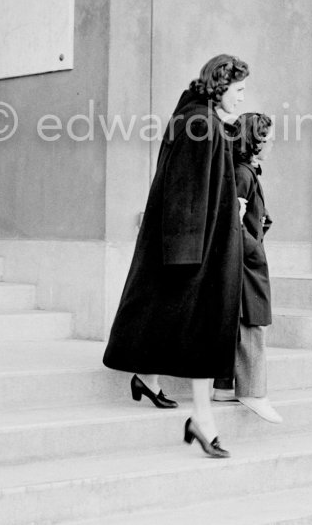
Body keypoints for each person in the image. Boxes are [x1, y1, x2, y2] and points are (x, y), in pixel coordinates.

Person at [103, 54, 249, 458]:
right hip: (199, 253)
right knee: (203, 330)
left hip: (202, 248)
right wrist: (189, 255)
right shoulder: (199, 123)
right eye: (239, 90)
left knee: (185, 324)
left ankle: (151, 382)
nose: (243, 98)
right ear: (221, 87)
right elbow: (184, 190)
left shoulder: (200, 119)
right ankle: (201, 420)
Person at [213, 112, 282, 424]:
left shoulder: (247, 172)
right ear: (255, 143)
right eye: (267, 138)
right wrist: (253, 247)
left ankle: (225, 385)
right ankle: (253, 392)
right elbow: (231, 222)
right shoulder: (242, 174)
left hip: (245, 257)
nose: (271, 144)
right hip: (244, 260)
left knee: (239, 320)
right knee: (250, 322)